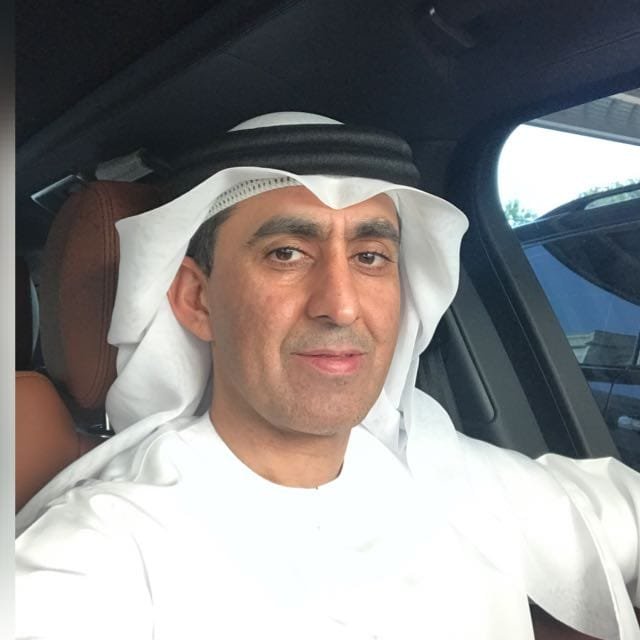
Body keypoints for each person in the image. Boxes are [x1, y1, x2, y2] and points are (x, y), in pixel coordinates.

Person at [15, 112, 640, 639]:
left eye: (370, 256)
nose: (340, 305)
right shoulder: (113, 540)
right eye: (287, 254)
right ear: (198, 300)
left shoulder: (443, 462)